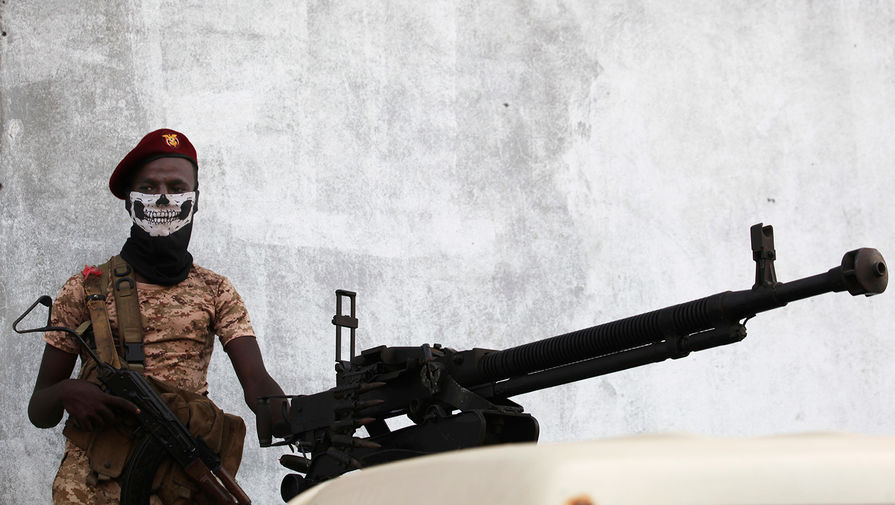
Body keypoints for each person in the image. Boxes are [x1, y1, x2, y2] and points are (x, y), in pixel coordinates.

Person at [27, 128, 285, 504]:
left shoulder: (215, 290)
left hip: (178, 480)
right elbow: (40, 410)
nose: (162, 197)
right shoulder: (85, 288)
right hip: (89, 488)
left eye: (176, 187)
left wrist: (310, 417)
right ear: (130, 201)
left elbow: (257, 383)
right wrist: (67, 392)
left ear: (195, 200)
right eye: (148, 187)